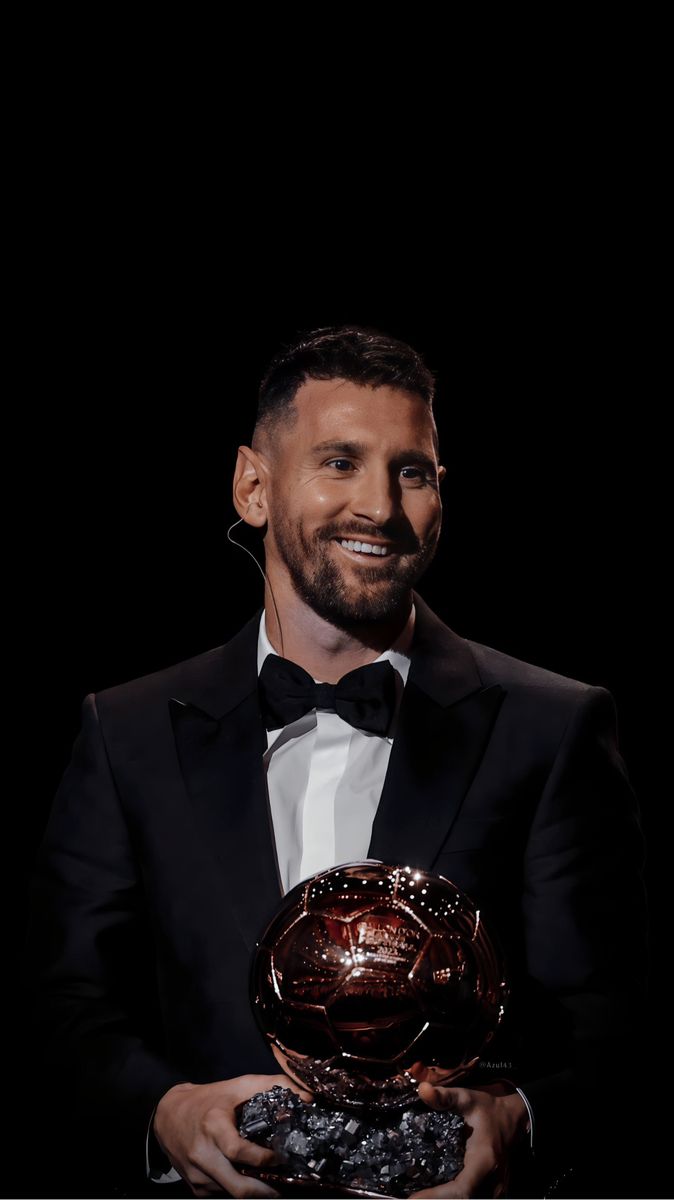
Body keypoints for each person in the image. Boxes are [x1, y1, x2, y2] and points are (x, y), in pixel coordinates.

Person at [23, 324, 648, 1200]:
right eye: (339, 462)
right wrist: (164, 1111)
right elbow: (63, 1006)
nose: (382, 509)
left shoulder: (552, 725)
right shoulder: (126, 732)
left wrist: (524, 1119)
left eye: (413, 471)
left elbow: (614, 1023)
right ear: (253, 486)